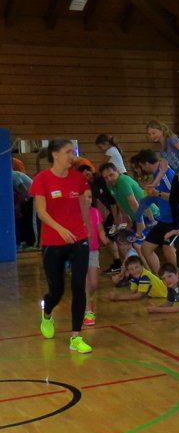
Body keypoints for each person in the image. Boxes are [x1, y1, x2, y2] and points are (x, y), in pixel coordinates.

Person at [30, 138, 93, 353]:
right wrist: (60, 229)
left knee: (78, 285)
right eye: (68, 152)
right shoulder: (42, 179)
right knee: (57, 291)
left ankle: (76, 337)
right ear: (55, 154)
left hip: (78, 240)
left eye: (73, 152)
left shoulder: (78, 178)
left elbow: (83, 205)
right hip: (53, 241)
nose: (72, 156)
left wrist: (88, 228)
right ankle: (47, 312)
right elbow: (41, 212)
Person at [84, 192, 109, 327]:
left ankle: (87, 299)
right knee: (85, 282)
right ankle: (88, 311)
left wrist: (103, 237)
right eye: (84, 197)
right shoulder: (74, 213)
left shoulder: (95, 212)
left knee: (93, 283)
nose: (87, 200)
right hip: (79, 252)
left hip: (93, 251)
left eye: (89, 197)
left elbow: (100, 229)